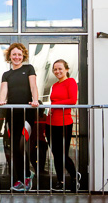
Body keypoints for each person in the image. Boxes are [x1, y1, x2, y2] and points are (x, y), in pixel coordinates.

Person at [0, 42, 39, 192]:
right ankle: (21, 180)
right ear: (9, 56)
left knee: (22, 146)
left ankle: (27, 176)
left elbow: (33, 86)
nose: (17, 57)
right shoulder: (6, 74)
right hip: (12, 114)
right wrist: (1, 100)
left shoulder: (28, 69)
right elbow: (4, 90)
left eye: (19, 55)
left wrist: (35, 99)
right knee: (15, 148)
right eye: (14, 54)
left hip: (26, 113)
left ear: (23, 56)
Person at [48, 59, 78, 192]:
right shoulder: (54, 85)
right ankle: (60, 181)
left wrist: (53, 105)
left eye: (60, 68)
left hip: (64, 123)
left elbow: (72, 100)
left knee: (63, 154)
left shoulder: (70, 82)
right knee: (56, 154)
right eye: (55, 69)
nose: (57, 71)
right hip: (51, 123)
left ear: (66, 69)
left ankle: (74, 177)